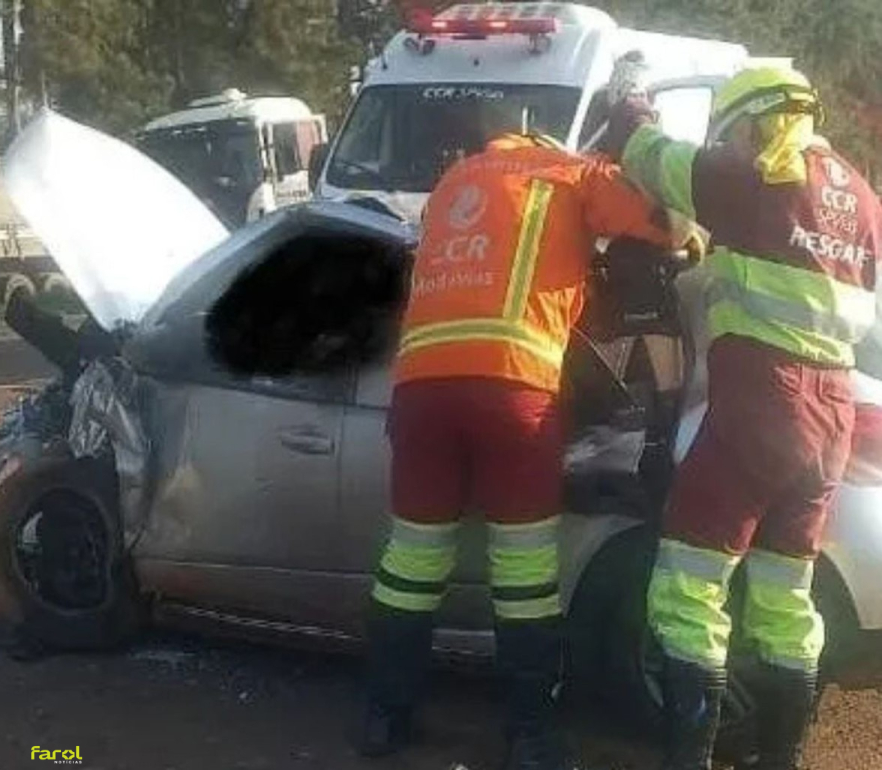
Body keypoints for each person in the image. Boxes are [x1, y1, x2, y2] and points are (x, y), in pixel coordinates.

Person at [357, 131, 677, 770]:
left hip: (422, 389)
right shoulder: (570, 171)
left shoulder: (456, 183)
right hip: (513, 384)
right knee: (524, 572)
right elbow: (652, 221)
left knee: (411, 563)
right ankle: (528, 733)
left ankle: (385, 718)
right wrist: (684, 234)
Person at [605, 65, 882, 769]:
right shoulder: (860, 192)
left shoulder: (756, 172)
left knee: (688, 584)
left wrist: (629, 105)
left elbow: (653, 159)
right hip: (832, 415)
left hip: (764, 399)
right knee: (787, 598)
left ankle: (689, 758)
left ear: (755, 120)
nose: (725, 144)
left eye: (729, 132)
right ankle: (780, 759)